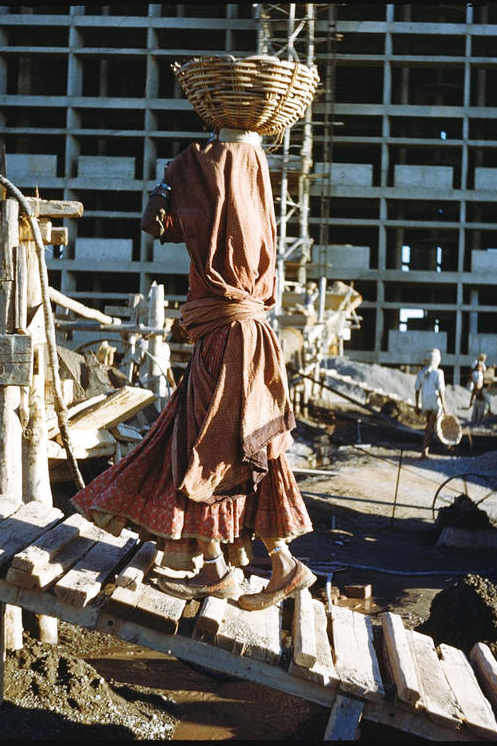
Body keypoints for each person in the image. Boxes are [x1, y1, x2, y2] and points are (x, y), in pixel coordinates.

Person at [71, 126, 315, 611]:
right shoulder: (254, 186)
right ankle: (269, 563)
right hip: (244, 339)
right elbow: (169, 225)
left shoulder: (214, 170)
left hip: (226, 342)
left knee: (202, 452)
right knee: (244, 450)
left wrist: (169, 180)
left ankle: (224, 567)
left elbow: (154, 223)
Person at [414, 348, 448, 459]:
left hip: (425, 403)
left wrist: (417, 405)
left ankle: (426, 450)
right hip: (435, 404)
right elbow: (441, 391)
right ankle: (425, 451)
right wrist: (445, 407)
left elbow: (417, 389)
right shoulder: (438, 373)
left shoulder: (421, 373)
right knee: (431, 427)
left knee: (429, 425)